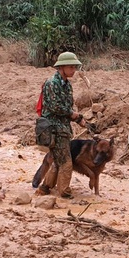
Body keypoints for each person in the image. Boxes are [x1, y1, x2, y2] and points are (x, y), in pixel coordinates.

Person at [34, 52, 87, 198]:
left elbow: (66, 108)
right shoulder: (52, 83)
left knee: (58, 160)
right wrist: (73, 115)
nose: (73, 70)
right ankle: (64, 192)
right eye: (71, 67)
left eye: (74, 67)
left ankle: (45, 187)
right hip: (53, 129)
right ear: (61, 67)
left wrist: (77, 119)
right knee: (66, 162)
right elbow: (55, 107)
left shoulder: (67, 85)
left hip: (62, 128)